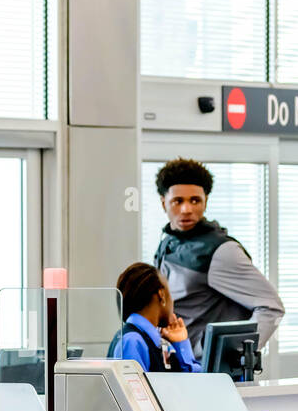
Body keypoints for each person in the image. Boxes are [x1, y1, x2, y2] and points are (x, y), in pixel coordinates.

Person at [153, 157, 284, 358]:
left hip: (205, 369)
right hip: (177, 362)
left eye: (195, 200)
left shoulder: (222, 251)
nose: (187, 209)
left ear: (205, 201)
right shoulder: (167, 243)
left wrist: (232, 357)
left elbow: (271, 308)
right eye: (178, 201)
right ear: (164, 203)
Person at [108, 263, 201, 372]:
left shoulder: (153, 341)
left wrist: (181, 344)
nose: (173, 301)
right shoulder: (133, 341)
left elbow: (192, 380)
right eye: (170, 293)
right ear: (162, 295)